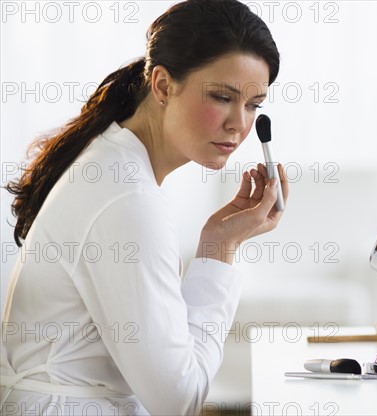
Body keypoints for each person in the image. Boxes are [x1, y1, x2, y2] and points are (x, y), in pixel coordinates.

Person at [0, 0, 287, 414]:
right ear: (163, 86)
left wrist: (217, 241)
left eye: (253, 104)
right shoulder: (126, 198)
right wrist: (219, 253)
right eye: (222, 96)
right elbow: (179, 399)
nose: (239, 124)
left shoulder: (112, 164)